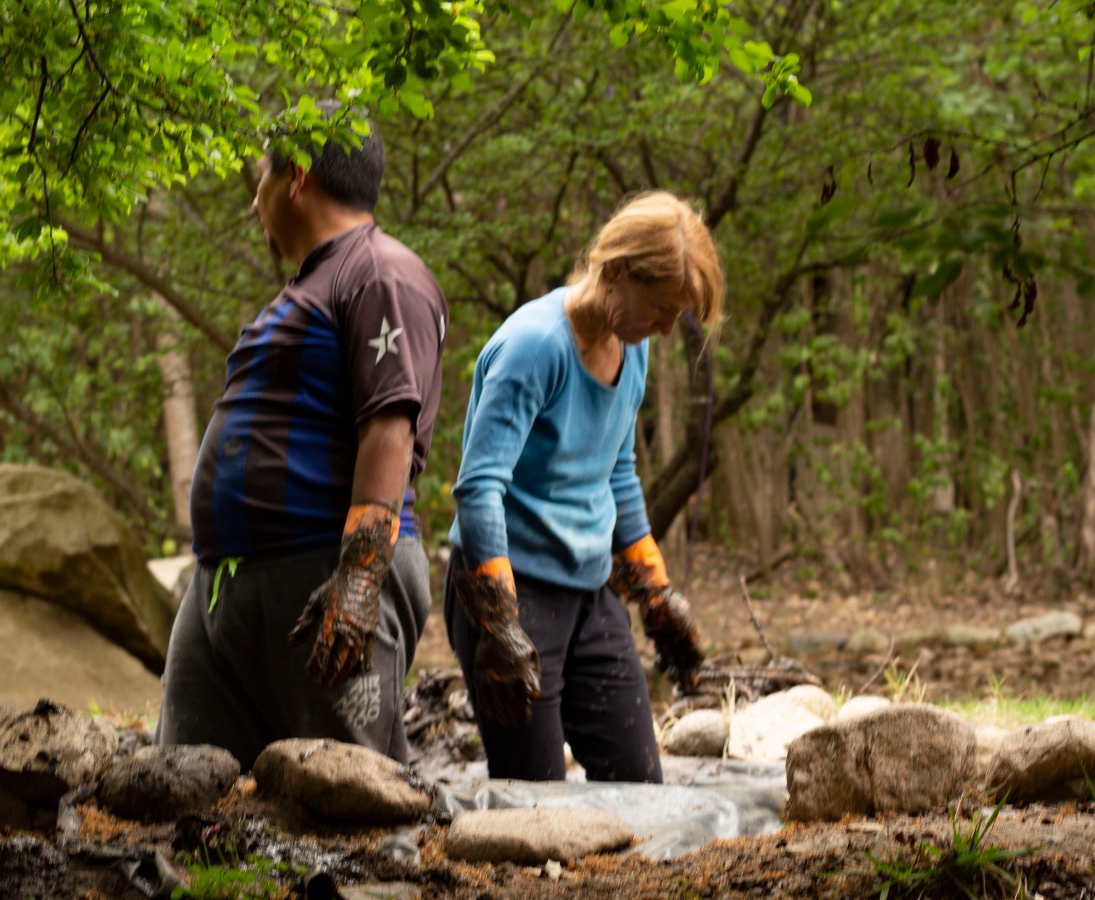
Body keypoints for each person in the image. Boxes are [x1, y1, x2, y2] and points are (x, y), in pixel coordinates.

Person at [158, 109, 448, 768]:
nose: (253, 201)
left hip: (325, 572)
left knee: (343, 791)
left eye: (262, 178)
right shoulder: (311, 284)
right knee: (182, 790)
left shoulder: (380, 271)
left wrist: (359, 579)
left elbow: (390, 428)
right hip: (227, 583)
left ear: (297, 176)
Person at [445, 191, 724, 783]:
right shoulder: (535, 346)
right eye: (662, 308)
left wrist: (655, 591)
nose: (667, 329)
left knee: (639, 783)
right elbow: (478, 488)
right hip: (510, 591)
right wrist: (499, 624)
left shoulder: (631, 348)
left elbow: (617, 470)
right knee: (535, 799)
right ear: (616, 271)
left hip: (590, 592)